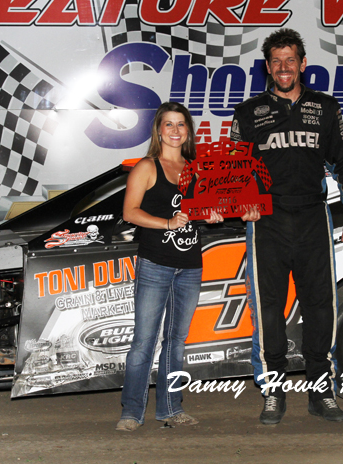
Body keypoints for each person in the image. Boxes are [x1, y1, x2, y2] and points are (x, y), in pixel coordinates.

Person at [230, 28, 343, 425]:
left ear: (302, 64)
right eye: (276, 61)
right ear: (267, 67)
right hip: (266, 222)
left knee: (321, 307)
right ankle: (273, 392)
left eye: (291, 60)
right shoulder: (249, 111)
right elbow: (234, 170)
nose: (284, 67)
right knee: (268, 309)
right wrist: (242, 204)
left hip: (312, 219)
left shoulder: (324, 106)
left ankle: (322, 391)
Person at [116, 101, 223, 432]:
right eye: (169, 124)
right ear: (159, 130)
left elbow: (200, 210)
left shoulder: (196, 168)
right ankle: (131, 413)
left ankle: (171, 409)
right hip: (156, 264)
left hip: (190, 266)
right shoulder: (147, 166)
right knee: (144, 341)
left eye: (181, 124)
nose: (176, 130)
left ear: (188, 131)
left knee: (176, 342)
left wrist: (212, 215)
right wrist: (166, 223)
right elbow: (130, 212)